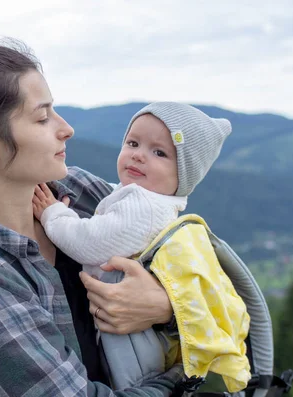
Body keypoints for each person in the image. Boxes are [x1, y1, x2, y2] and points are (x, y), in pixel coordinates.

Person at [0, 41, 183, 396]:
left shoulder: (79, 193)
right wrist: (183, 379)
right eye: (43, 117)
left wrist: (166, 307)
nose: (66, 128)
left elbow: (216, 274)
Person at [31, 102, 251, 392]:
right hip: (131, 327)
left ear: (184, 176)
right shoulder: (144, 198)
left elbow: (88, 244)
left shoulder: (143, 208)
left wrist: (53, 214)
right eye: (133, 143)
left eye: (159, 152)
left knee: (130, 384)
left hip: (133, 342)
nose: (138, 155)